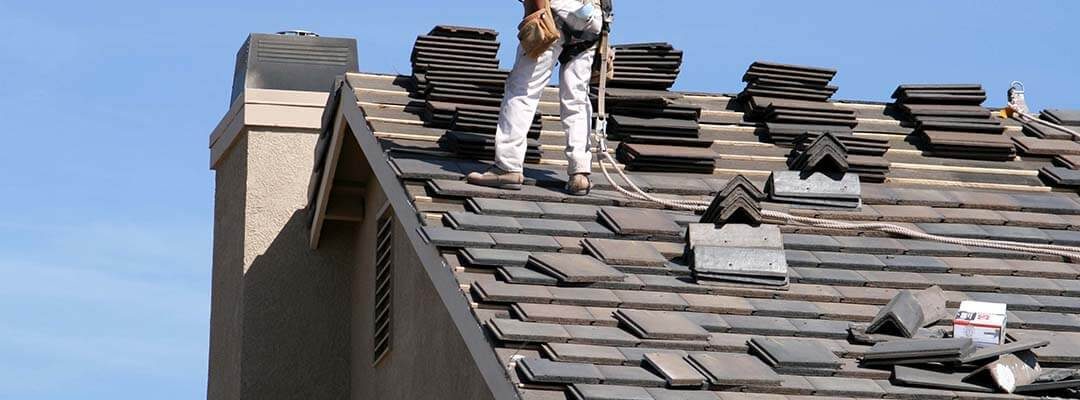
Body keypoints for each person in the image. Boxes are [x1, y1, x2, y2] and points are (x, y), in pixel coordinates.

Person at [466, 0, 604, 195]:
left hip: (556, 9)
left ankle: (507, 167)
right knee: (577, 96)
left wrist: (538, 13)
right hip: (592, 16)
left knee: (522, 90)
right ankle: (580, 173)